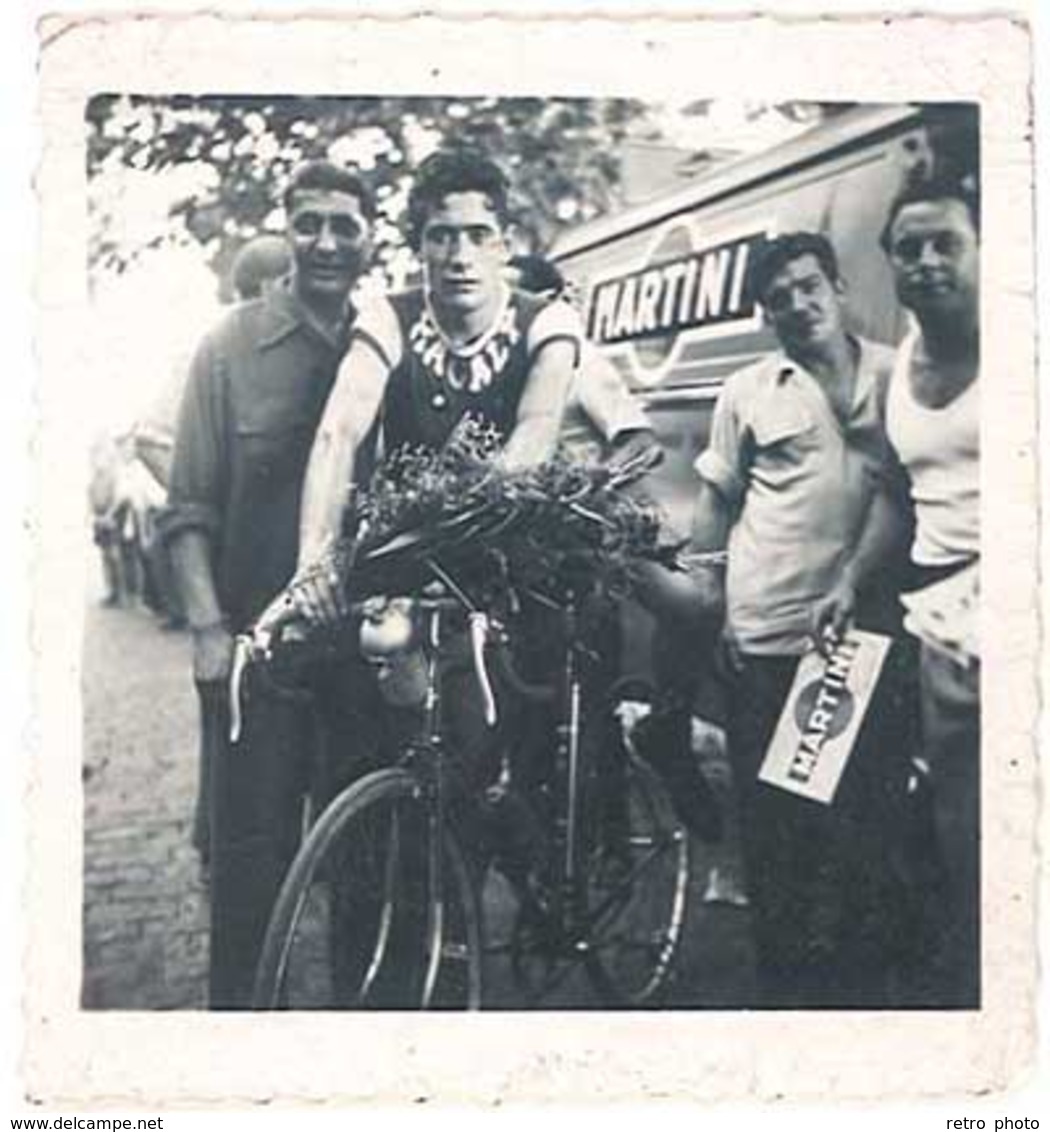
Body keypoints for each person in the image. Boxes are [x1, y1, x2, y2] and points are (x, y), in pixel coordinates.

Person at [161, 160, 380, 1009]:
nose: (327, 242)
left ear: (369, 237)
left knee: (367, 865)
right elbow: (187, 506)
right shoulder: (230, 346)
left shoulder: (385, 342)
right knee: (252, 875)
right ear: (288, 231)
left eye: (345, 225)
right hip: (260, 656)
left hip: (361, 652)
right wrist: (209, 630)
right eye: (309, 223)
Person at [684, 231, 916, 1006]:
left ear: (839, 287)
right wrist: (707, 610)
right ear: (765, 312)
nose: (796, 303)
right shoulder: (749, 389)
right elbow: (715, 504)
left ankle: (863, 1001)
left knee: (866, 826)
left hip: (865, 639)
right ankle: (787, 1003)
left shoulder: (898, 371)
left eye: (809, 286)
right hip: (770, 636)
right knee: (779, 837)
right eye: (779, 296)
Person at [823, 177, 980, 1005]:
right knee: (967, 840)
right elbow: (894, 490)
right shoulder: (904, 369)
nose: (925, 262)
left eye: (944, 243)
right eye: (907, 249)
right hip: (945, 624)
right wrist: (850, 579)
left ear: (984, 246)